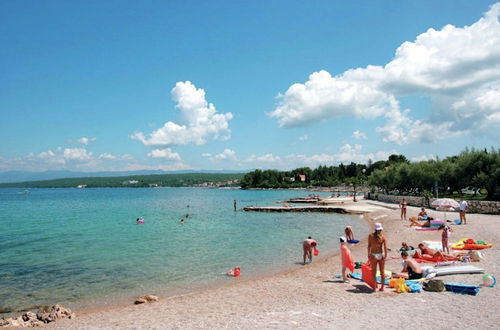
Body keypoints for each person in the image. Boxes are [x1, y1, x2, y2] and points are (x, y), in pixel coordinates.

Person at [367, 223, 387, 292]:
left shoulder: (370, 236)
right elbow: (385, 248)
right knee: (382, 272)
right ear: (380, 229)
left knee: (374, 272)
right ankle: (382, 287)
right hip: (381, 255)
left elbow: (369, 246)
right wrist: (385, 256)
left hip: (373, 255)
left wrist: (368, 254)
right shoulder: (383, 237)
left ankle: (374, 288)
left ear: (375, 229)